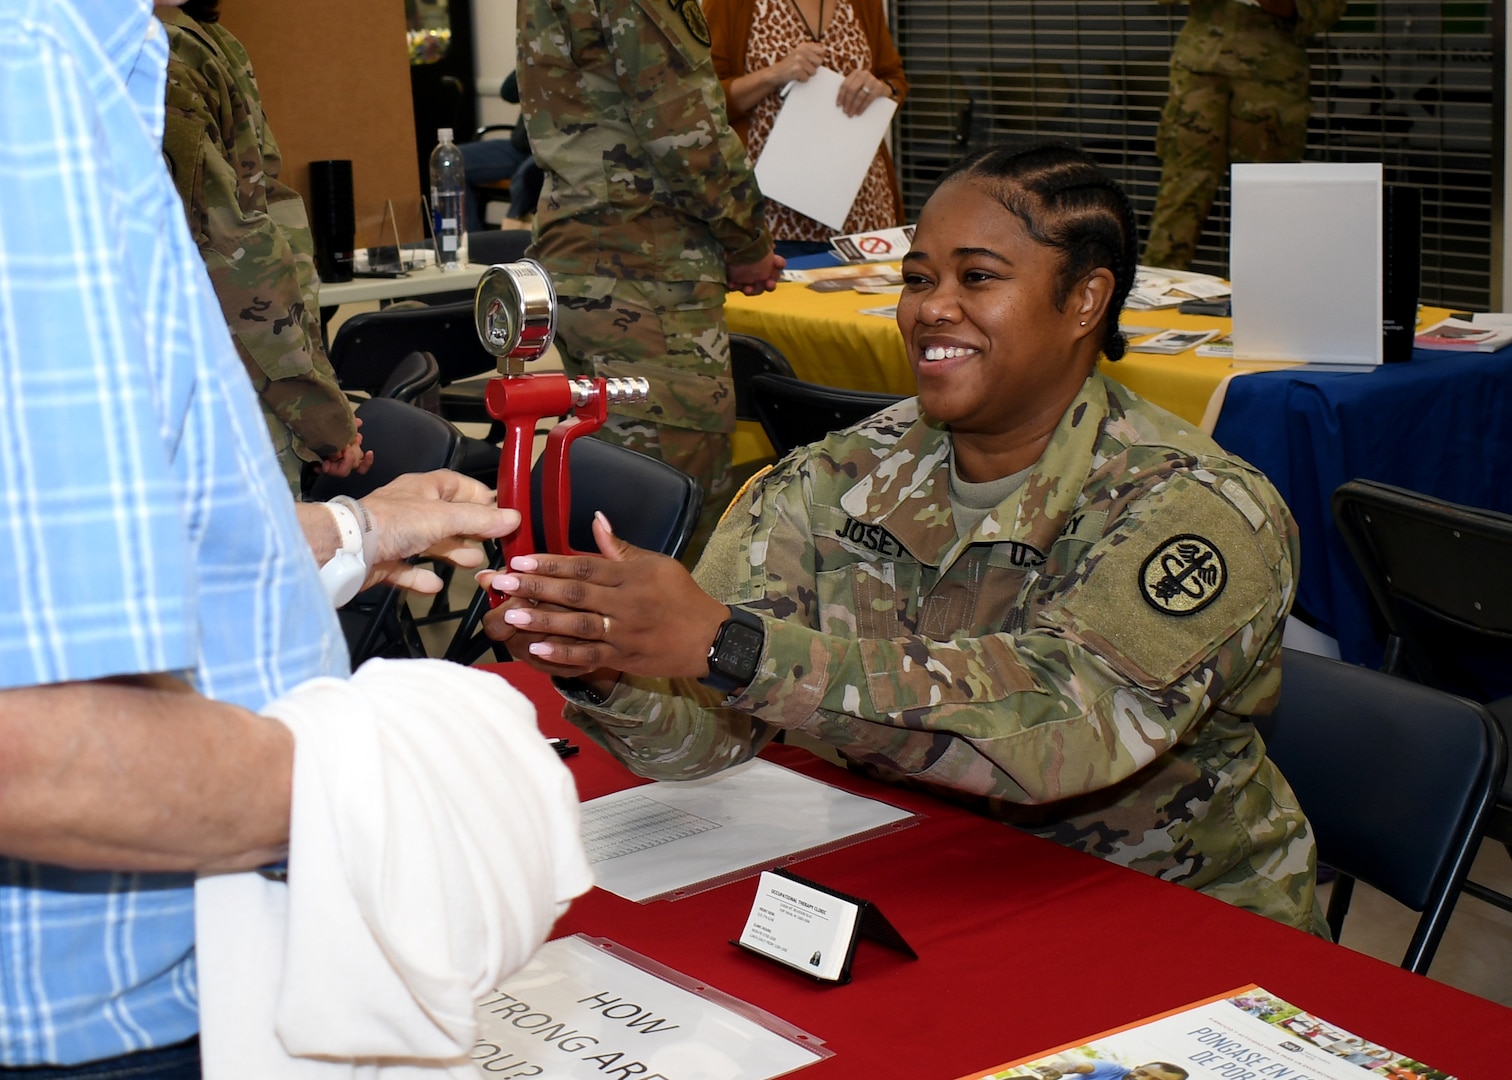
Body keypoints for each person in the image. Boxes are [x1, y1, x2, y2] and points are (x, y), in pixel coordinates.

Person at [483, 142, 1329, 934]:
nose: (932, 308)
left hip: (1170, 917)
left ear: (1084, 301)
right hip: (925, 873)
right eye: (918, 277)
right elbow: (709, 736)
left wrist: (731, 646)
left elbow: (1067, 729)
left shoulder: (1196, 507)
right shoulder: (836, 478)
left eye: (978, 277)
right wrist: (609, 665)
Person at [0, 1, 566, 1071]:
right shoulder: (27, 66)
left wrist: (349, 531)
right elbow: (26, 743)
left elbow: (54, 552)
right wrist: (411, 794)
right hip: (118, 1006)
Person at [518, 0, 785, 558]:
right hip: (645, 269)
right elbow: (684, 129)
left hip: (595, 257)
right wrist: (747, 241)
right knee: (671, 521)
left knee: (613, 500)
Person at [160, 0, 371, 497]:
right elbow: (234, 253)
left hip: (225, 383)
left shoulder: (194, 41)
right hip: (211, 395)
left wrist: (323, 412)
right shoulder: (168, 47)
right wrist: (324, 417)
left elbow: (262, 225)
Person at [1143, 0, 1347, 270]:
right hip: (1199, 68)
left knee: (1268, 191)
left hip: (1271, 74)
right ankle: (1157, 288)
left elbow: (1323, 11)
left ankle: (1269, 290)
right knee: (1183, 183)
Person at [703, 0, 908, 256]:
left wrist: (882, 88)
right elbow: (701, 101)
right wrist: (774, 74)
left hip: (863, 213)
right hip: (770, 217)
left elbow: (895, 79)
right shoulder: (730, 5)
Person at [461, 70, 546, 230]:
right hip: (520, 146)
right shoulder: (535, 55)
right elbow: (508, 92)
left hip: (550, 149)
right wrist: (530, 56)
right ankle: (471, 246)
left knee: (526, 176)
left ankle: (511, 241)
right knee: (456, 162)